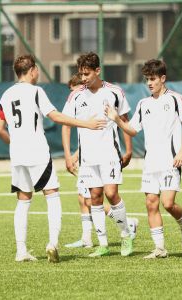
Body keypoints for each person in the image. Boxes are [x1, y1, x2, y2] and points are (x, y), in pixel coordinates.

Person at [0, 54, 106, 263]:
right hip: (37, 151)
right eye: (36, 70)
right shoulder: (36, 91)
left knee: (23, 200)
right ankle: (52, 244)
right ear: (32, 70)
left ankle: (21, 251)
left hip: (17, 155)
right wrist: (86, 124)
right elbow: (54, 115)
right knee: (52, 195)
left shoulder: (6, 95)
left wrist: (15, 143)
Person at [105, 59, 182, 259]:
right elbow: (133, 130)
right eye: (147, 79)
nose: (149, 83)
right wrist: (117, 119)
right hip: (151, 163)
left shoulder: (175, 99)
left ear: (163, 78)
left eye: (153, 79)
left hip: (171, 161)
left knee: (168, 203)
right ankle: (160, 249)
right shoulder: (143, 103)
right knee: (151, 204)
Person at [61, 52, 134, 257]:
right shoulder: (76, 95)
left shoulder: (114, 92)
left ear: (97, 71)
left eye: (87, 74)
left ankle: (125, 236)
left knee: (111, 194)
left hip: (110, 153)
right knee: (94, 197)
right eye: (81, 74)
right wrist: (68, 155)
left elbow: (125, 120)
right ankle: (102, 244)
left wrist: (128, 150)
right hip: (87, 157)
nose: (83, 78)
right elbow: (66, 124)